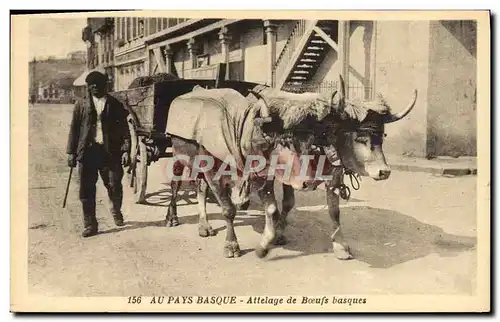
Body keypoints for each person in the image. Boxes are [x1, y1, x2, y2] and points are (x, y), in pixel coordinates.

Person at [66, 71, 131, 237]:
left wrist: (125, 149)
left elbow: (124, 128)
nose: (94, 87)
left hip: (110, 153)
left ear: (105, 85)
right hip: (88, 153)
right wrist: (71, 152)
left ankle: (116, 209)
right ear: (88, 87)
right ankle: (90, 225)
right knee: (86, 190)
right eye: (91, 84)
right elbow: (74, 130)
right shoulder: (81, 105)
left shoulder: (115, 104)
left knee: (114, 184)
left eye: (98, 83)